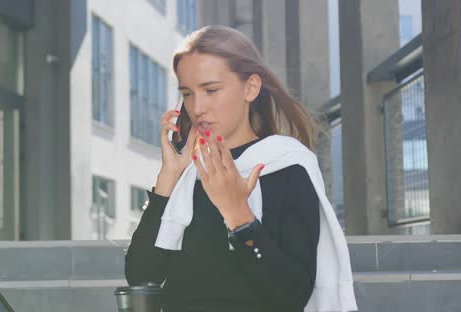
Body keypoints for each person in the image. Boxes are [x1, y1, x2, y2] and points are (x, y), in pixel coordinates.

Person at [125, 25, 351, 312]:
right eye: (188, 93)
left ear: (250, 87)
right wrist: (169, 176)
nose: (197, 108)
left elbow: (292, 295)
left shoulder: (288, 165)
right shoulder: (188, 174)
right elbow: (142, 275)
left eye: (211, 89)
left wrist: (238, 216)